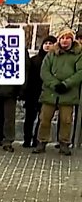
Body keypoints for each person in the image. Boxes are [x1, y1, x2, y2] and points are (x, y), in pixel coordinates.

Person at [36, 27, 82, 155]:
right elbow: (44, 71)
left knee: (66, 120)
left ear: (72, 40)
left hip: (68, 93)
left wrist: (66, 84)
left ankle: (64, 143)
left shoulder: (78, 54)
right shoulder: (52, 53)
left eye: (68, 38)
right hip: (51, 92)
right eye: (62, 38)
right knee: (44, 119)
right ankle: (41, 142)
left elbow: (80, 72)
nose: (65, 41)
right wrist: (54, 84)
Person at [24, 36, 57, 149]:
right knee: (29, 118)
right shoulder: (34, 60)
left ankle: (36, 140)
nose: (47, 45)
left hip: (46, 93)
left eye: (50, 43)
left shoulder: (55, 60)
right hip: (32, 93)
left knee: (42, 119)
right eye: (45, 43)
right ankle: (26, 139)